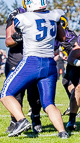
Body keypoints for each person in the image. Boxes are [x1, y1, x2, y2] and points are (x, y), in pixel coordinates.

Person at [0, 0, 68, 138]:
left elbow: (11, 38)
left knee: (5, 93)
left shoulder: (22, 17)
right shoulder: (54, 15)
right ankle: (62, 132)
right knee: (49, 103)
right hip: (49, 63)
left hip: (32, 61)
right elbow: (62, 37)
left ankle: (21, 120)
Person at [4, 7, 42, 134]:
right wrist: (17, 38)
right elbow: (8, 41)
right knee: (15, 93)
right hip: (16, 58)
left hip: (34, 58)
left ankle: (36, 118)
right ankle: (15, 121)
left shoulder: (43, 15)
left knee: (35, 94)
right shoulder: (16, 14)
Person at [55, 15, 80, 118]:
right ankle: (73, 104)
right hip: (71, 62)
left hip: (76, 62)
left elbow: (78, 46)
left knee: (72, 85)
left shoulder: (69, 35)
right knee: (65, 82)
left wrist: (74, 57)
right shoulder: (61, 34)